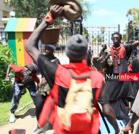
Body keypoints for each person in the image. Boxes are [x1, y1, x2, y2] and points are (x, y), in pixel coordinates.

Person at [25, 5, 119, 134]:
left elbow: (29, 46)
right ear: (85, 54)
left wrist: (49, 18)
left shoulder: (57, 72)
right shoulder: (96, 77)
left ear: (68, 54)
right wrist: (117, 129)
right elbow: (107, 110)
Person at [100, 21, 139, 125]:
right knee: (110, 98)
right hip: (112, 78)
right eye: (113, 37)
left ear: (120, 39)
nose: (115, 39)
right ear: (111, 39)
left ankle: (124, 118)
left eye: (117, 37)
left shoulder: (126, 48)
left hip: (124, 78)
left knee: (124, 98)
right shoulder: (107, 51)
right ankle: (112, 118)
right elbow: (102, 66)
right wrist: (106, 57)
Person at [33, 44, 61, 134]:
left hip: (52, 86)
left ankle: (58, 125)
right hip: (43, 87)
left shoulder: (56, 61)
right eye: (45, 49)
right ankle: (39, 125)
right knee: (38, 105)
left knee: (56, 107)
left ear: (52, 51)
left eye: (48, 49)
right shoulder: (43, 60)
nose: (46, 51)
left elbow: (57, 73)